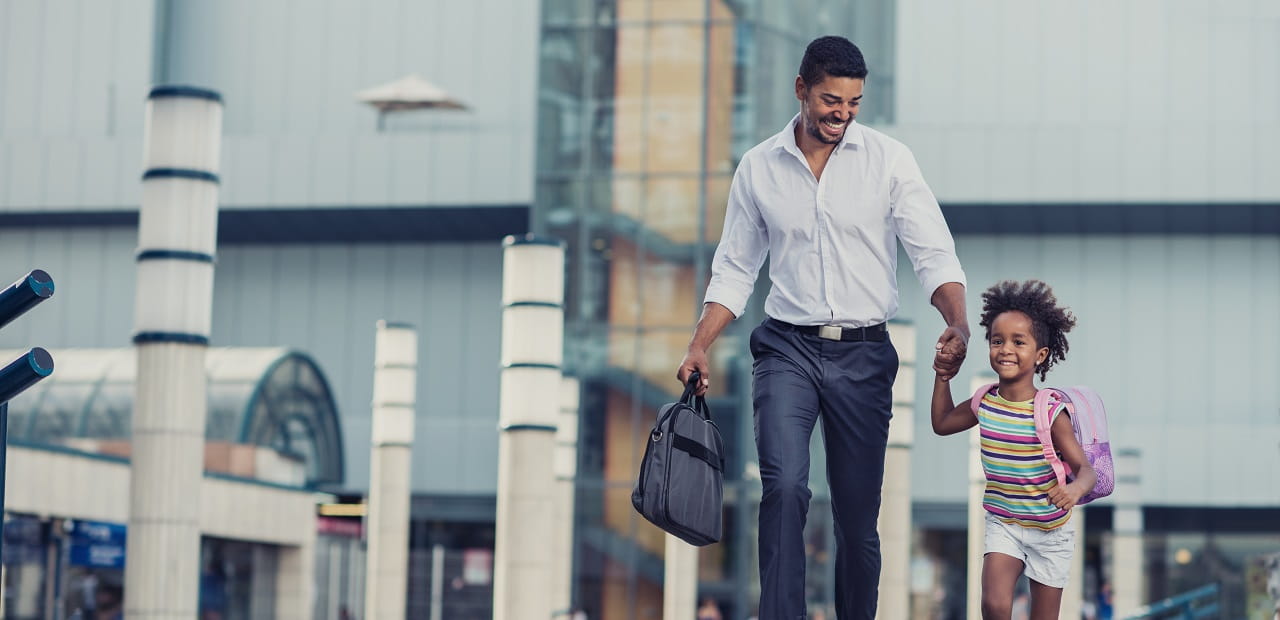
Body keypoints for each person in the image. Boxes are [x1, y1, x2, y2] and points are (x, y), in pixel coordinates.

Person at [676, 35, 970, 619]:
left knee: (858, 518)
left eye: (854, 102)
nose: (842, 113)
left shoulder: (889, 160)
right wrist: (700, 344)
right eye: (832, 100)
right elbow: (735, 268)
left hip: (864, 354)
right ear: (802, 90)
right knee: (783, 486)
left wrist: (958, 323)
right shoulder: (759, 167)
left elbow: (932, 254)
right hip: (787, 347)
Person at [929, 280, 1097, 619]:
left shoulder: (1050, 412)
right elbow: (942, 422)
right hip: (1005, 523)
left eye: (1018, 342)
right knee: (993, 605)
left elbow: (1086, 470)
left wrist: (1075, 489)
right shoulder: (984, 401)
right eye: (997, 340)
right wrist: (943, 376)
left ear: (1040, 355)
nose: (1005, 349)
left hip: (1052, 530)